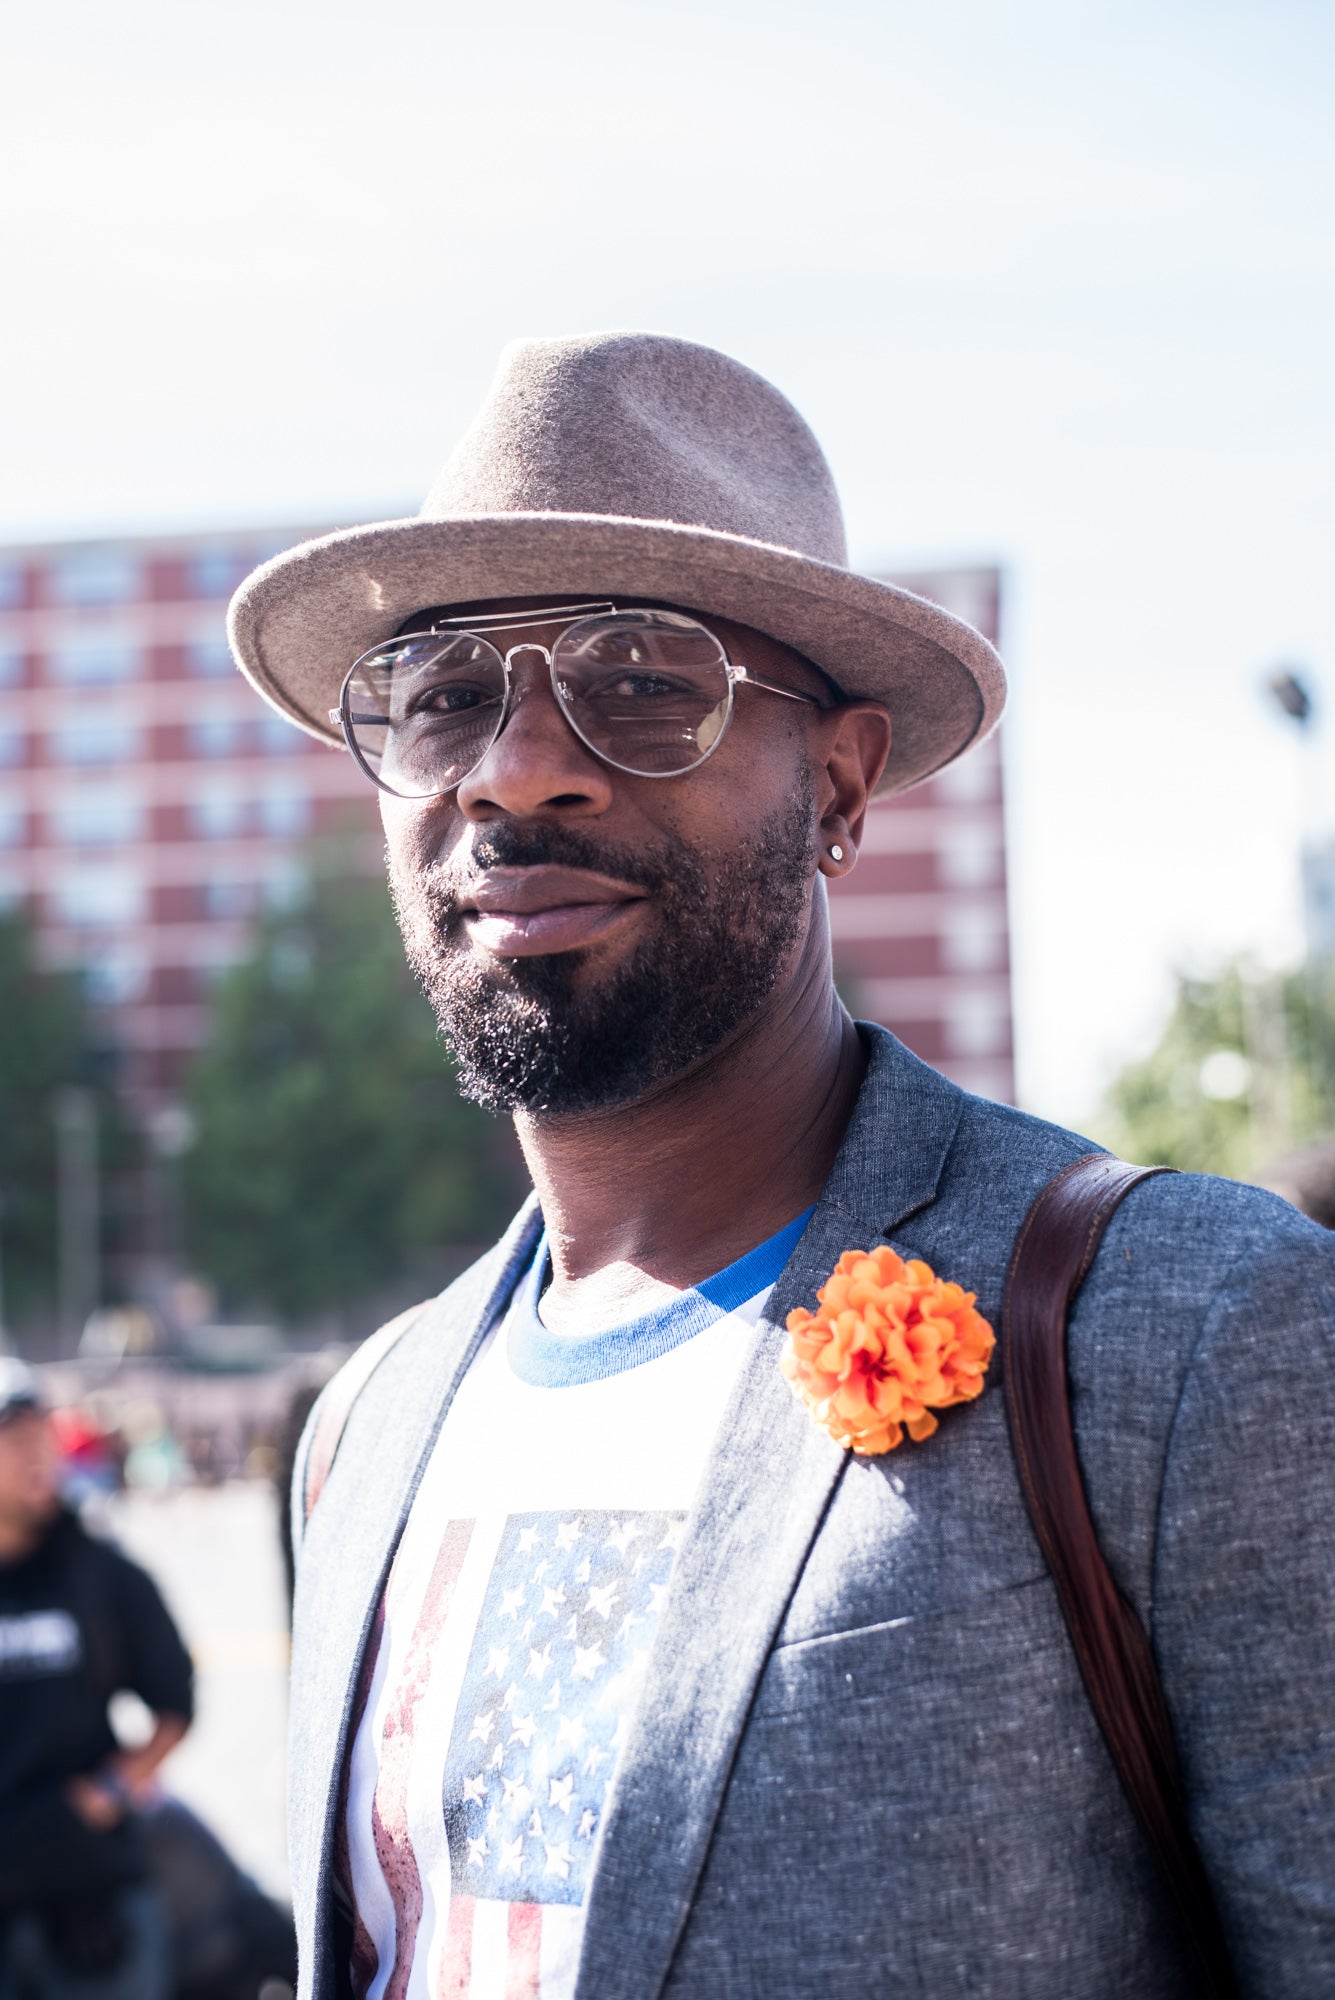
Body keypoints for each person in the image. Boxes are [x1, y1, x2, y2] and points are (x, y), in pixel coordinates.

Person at [229, 332, 1335, 1997]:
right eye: (448, 695)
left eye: (642, 678)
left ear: (837, 782)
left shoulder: (1185, 1334)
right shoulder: (364, 1430)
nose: (520, 766)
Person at [0, 1358, 193, 1999]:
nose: (38, 1457)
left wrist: (109, 1789)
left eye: (42, 1437)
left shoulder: (100, 1572)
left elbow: (175, 1702)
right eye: (15, 1440)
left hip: (91, 1894)